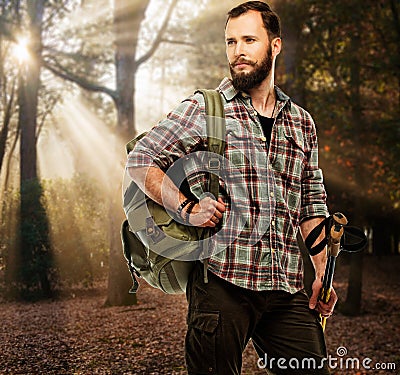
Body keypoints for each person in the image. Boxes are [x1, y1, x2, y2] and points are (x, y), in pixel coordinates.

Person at [127, 1, 337, 374]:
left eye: (249, 40)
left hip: (286, 288)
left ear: (274, 46)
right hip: (222, 284)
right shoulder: (205, 109)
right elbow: (141, 160)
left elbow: (310, 204)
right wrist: (187, 208)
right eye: (230, 42)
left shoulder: (302, 124)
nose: (238, 51)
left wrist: (321, 272)